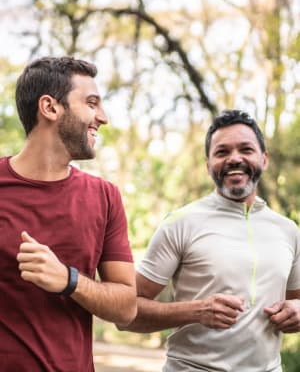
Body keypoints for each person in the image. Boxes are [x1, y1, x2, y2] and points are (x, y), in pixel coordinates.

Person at [120, 110, 300, 372]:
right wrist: (196, 311)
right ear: (208, 165)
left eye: (246, 149)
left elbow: (296, 301)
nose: (234, 158)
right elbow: (125, 312)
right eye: (222, 152)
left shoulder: (288, 230)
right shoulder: (180, 223)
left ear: (264, 159)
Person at [0, 56, 137, 371]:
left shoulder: (105, 197)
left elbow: (127, 307)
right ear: (50, 107)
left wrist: (69, 279)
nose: (102, 117)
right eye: (91, 103)